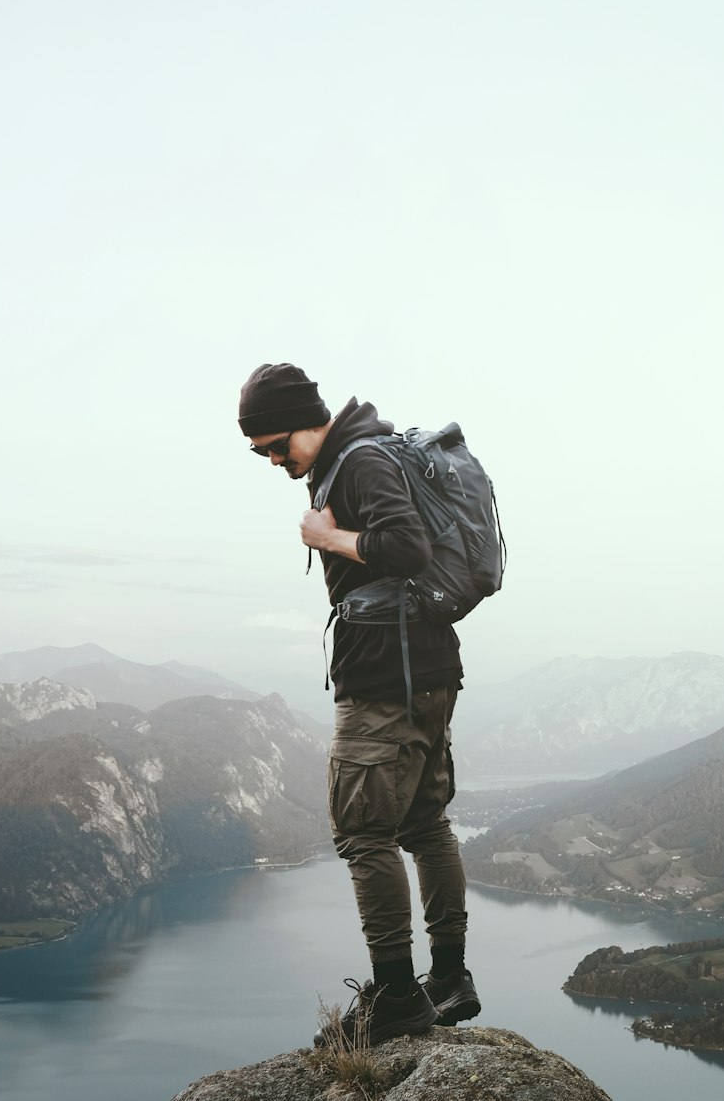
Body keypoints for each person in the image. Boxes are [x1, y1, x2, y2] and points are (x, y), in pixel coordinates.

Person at [238, 362, 480, 1046]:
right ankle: (450, 977)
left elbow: (407, 545)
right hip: (426, 669)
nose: (273, 459)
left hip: (385, 680)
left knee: (363, 832)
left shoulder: (357, 461)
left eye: (274, 444)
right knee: (425, 823)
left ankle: (398, 995)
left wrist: (328, 538)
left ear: (302, 419)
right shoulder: (360, 454)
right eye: (262, 452)